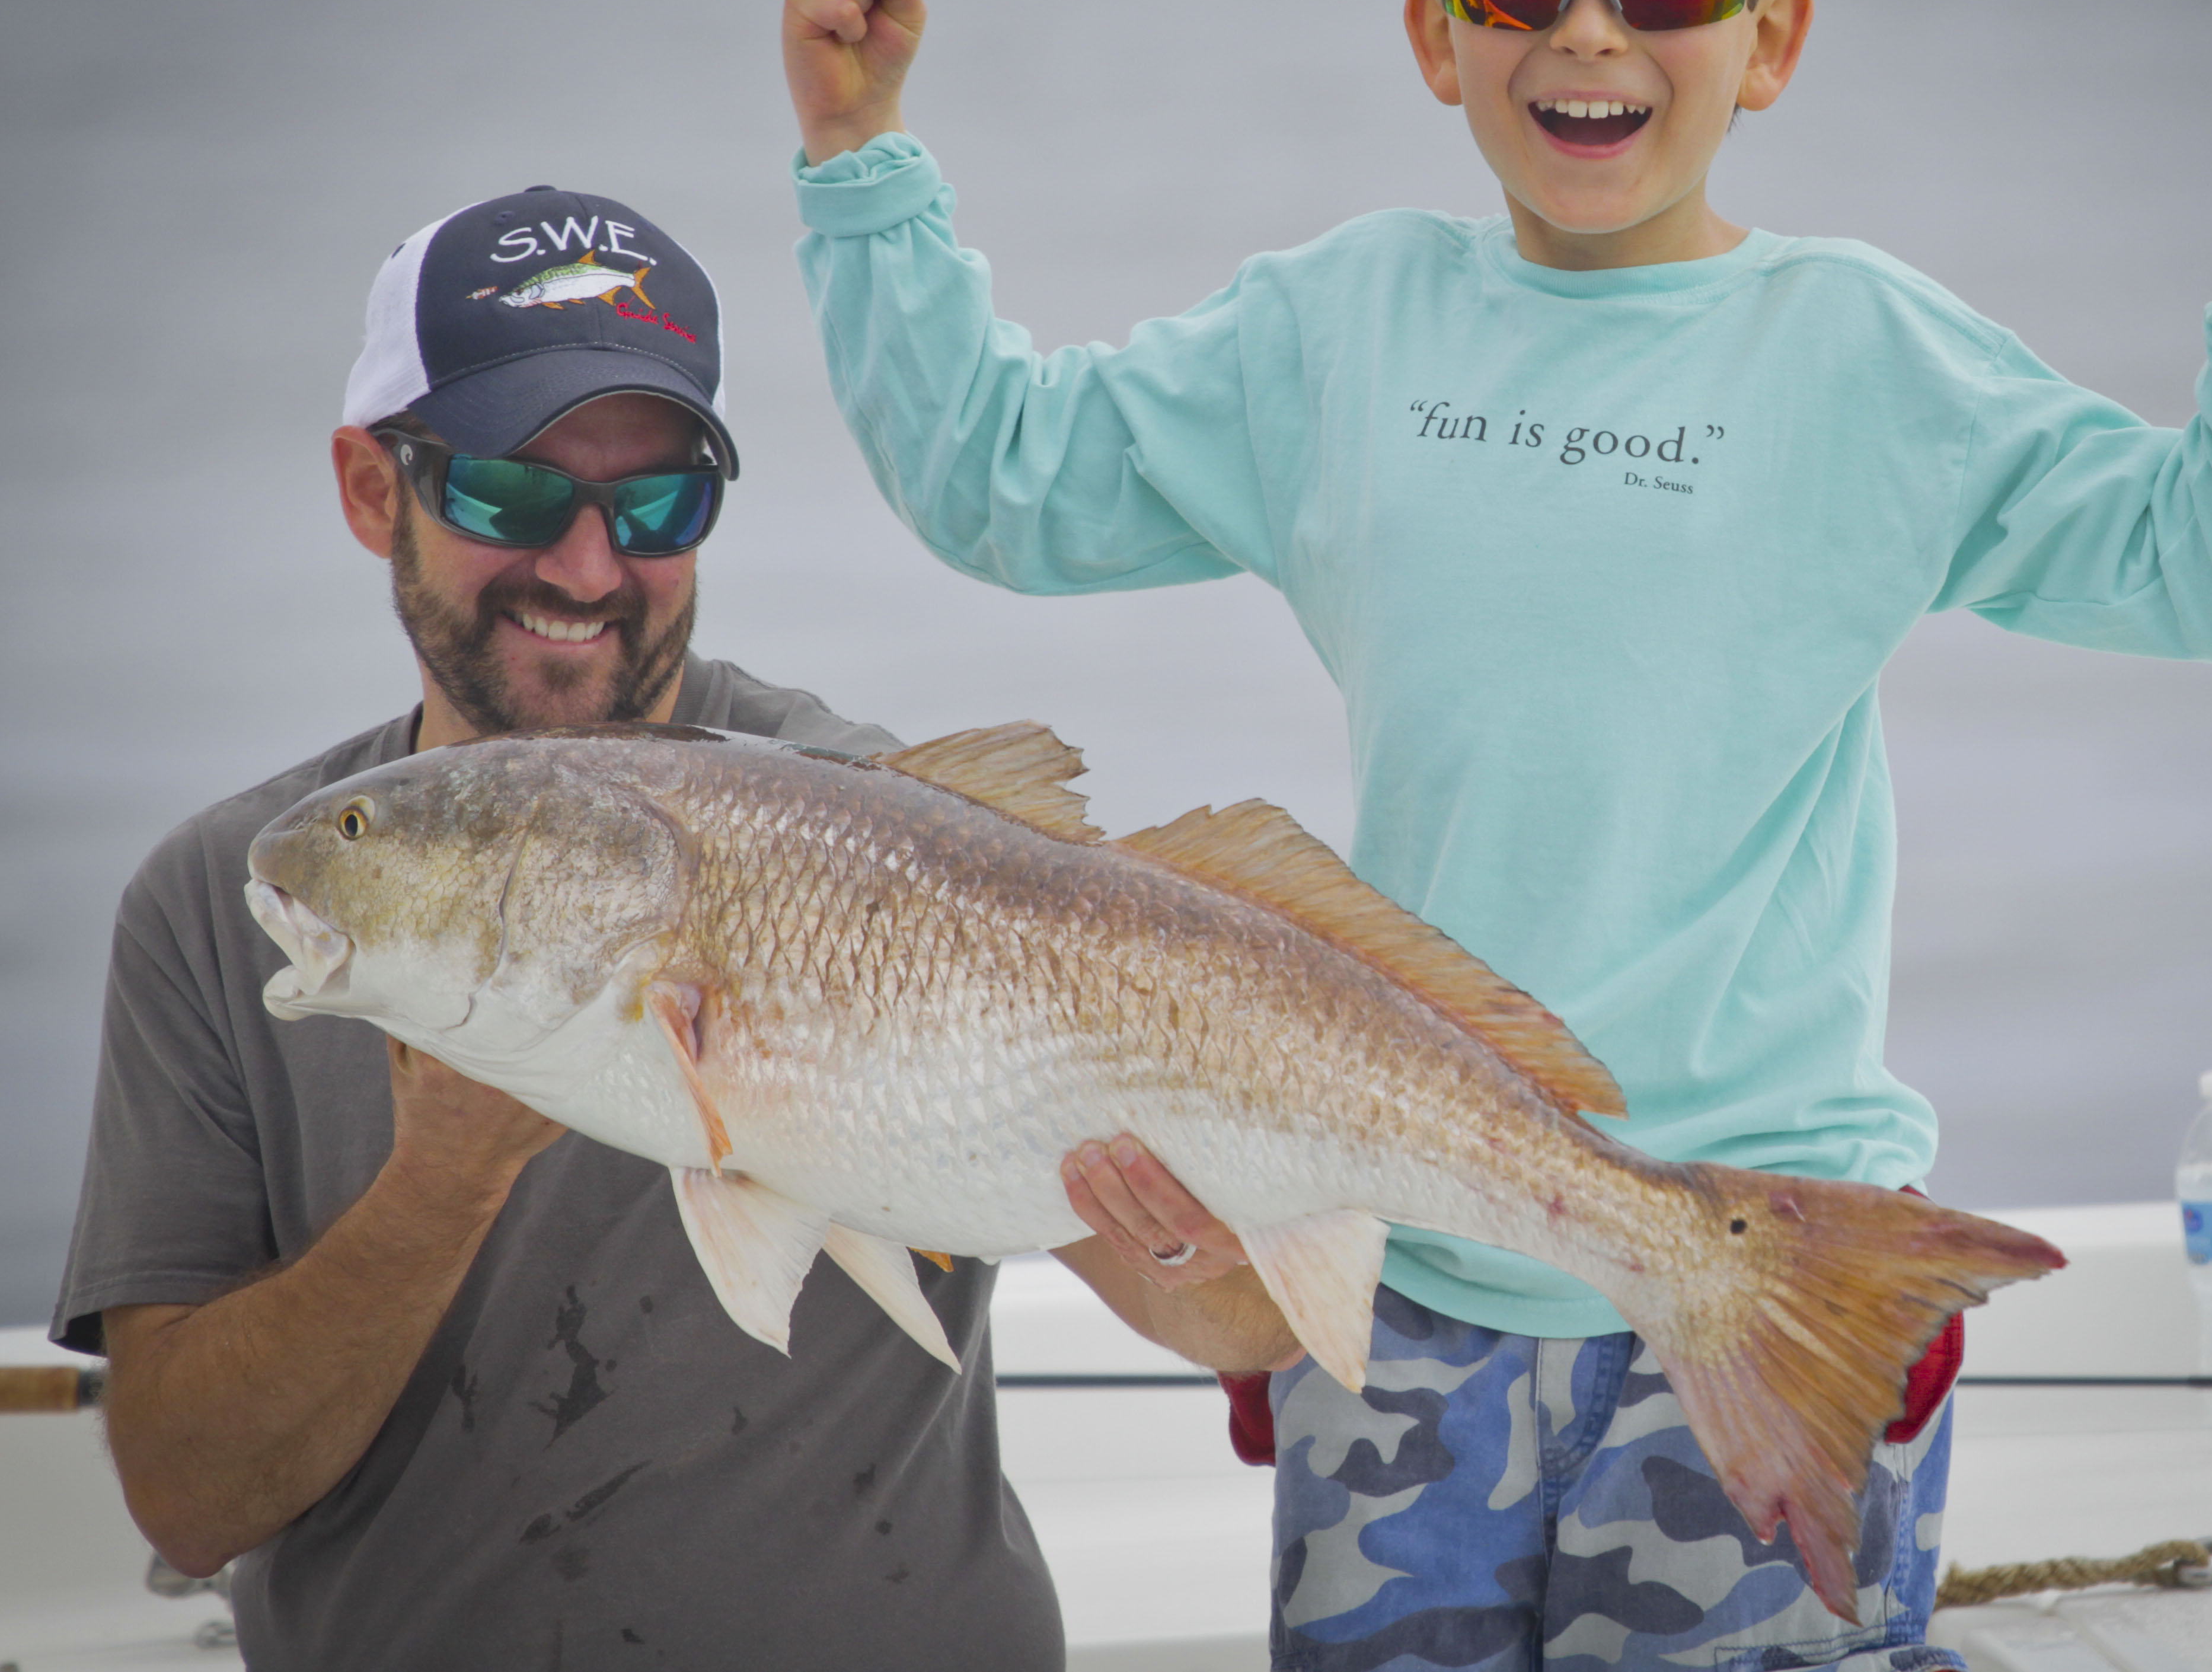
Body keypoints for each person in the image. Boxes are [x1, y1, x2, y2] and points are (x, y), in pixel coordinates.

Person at [776, 0, 2212, 1671]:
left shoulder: (1861, 348)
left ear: (1769, 39)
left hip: (1763, 1247)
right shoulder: (1336, 329)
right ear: (1436, 37)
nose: (1588, 33)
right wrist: (863, 162)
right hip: (1402, 1256)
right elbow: (995, 472)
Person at [50, 184, 1285, 1670]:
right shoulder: (239, 897)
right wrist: (441, 1178)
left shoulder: (880, 837)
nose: (586, 569)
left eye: (656, 507)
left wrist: (1212, 1213)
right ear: (374, 489)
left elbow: (1235, 1325)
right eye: (511, 495)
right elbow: (188, 1502)